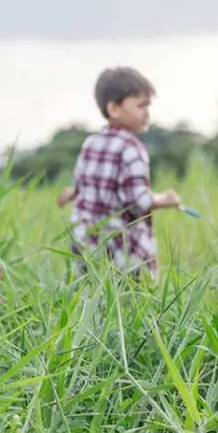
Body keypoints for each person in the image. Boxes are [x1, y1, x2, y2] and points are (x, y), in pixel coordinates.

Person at [58, 67, 180, 278]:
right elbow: (138, 200)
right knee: (133, 305)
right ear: (114, 108)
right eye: (141, 106)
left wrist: (71, 192)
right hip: (120, 251)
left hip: (85, 244)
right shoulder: (132, 148)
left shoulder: (90, 143)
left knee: (90, 300)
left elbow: (83, 183)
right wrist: (165, 199)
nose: (147, 113)